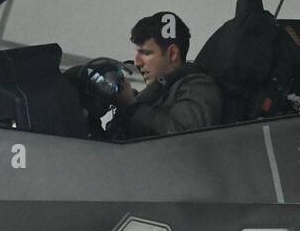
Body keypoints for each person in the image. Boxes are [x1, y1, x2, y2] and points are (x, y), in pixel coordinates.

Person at [71, 11, 222, 140]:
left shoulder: (199, 87)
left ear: (172, 53)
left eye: (146, 53)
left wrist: (131, 106)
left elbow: (185, 141)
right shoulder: (158, 90)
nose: (137, 62)